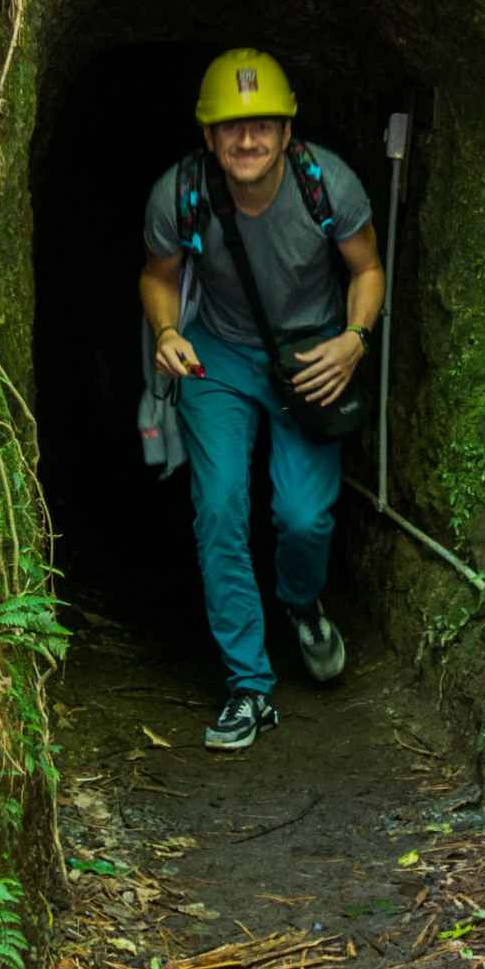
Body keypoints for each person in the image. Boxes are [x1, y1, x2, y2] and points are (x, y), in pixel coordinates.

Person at [139, 48, 384, 751]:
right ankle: (249, 685)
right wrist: (165, 330)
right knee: (219, 507)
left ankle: (301, 604)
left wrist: (354, 339)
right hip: (217, 354)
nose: (248, 141)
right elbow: (158, 274)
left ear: (286, 131)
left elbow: (367, 268)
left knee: (303, 518)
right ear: (209, 136)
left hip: (311, 357)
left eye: (263, 126)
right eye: (231, 128)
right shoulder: (181, 191)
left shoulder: (325, 185)